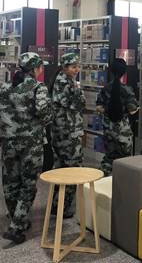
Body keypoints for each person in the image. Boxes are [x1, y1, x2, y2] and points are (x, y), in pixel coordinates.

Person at [0, 52, 53, 245]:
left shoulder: (5, 86)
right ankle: (16, 226)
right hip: (31, 143)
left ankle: (16, 217)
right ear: (36, 68)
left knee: (10, 181)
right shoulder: (38, 87)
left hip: (9, 142)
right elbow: (45, 114)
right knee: (28, 183)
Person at [50, 53, 85, 218]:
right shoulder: (67, 84)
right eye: (73, 67)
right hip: (69, 131)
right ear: (64, 67)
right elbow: (79, 104)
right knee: (72, 168)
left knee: (60, 166)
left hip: (59, 131)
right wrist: (79, 91)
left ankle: (55, 203)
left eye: (78, 66)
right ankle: (62, 207)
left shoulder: (59, 80)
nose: (77, 69)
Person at [97, 58, 138, 176]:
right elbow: (132, 110)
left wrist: (108, 110)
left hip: (108, 127)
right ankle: (123, 183)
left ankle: (101, 180)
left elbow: (99, 107)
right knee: (125, 159)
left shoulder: (105, 88)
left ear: (110, 70)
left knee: (109, 157)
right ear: (124, 72)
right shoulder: (127, 90)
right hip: (123, 130)